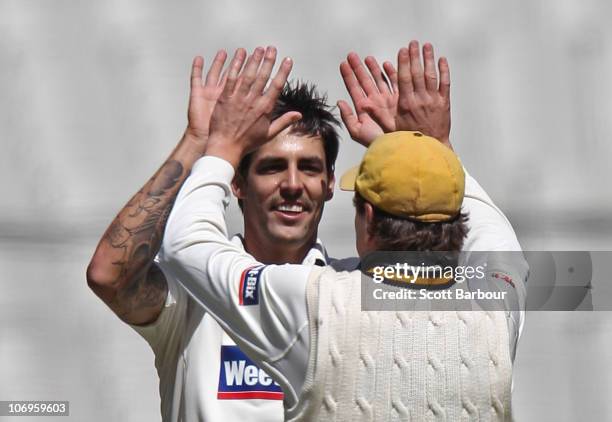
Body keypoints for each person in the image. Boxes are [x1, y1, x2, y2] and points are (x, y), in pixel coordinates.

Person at [160, 43, 528, 421]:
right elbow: (498, 238)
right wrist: (429, 152)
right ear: (455, 220)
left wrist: (220, 146)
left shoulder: (315, 301)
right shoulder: (497, 303)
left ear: (367, 218)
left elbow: (185, 245)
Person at [87, 46, 342, 422]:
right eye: (272, 167)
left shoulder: (349, 289)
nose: (292, 184)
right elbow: (108, 275)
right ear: (235, 182)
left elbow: (457, 293)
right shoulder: (193, 291)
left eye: (308, 167)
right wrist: (199, 140)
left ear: (330, 183)